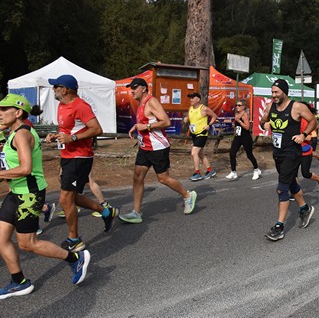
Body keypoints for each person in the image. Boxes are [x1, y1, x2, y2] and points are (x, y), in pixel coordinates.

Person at [0, 94, 90, 299]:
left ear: (18, 112)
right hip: (16, 192)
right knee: (1, 238)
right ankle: (18, 282)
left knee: (27, 243)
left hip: (29, 195)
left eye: (5, 109)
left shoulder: (22, 134)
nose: (0, 113)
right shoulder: (13, 132)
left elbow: (25, 168)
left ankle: (75, 258)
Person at [45, 75, 119, 252]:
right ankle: (106, 212)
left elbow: (97, 129)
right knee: (73, 197)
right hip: (67, 156)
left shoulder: (80, 106)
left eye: (56, 87)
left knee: (65, 199)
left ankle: (74, 239)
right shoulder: (62, 106)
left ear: (65, 89)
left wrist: (73, 138)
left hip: (80, 157)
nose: (53, 90)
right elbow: (66, 129)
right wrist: (56, 135)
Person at [118, 78, 197, 224]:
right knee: (137, 177)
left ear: (143, 88)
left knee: (163, 178)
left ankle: (187, 195)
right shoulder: (140, 103)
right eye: (131, 88)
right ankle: (136, 212)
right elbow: (146, 121)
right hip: (145, 147)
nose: (132, 91)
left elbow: (166, 121)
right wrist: (137, 127)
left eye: (134, 88)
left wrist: (146, 127)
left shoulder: (151, 101)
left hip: (158, 147)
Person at [260, 79, 317, 241]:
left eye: (276, 92)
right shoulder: (270, 107)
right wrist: (264, 124)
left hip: (292, 153)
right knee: (291, 183)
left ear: (284, 92)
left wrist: (303, 135)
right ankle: (305, 209)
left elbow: (313, 121)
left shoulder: (297, 107)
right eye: (272, 92)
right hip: (278, 153)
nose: (274, 95)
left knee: (282, 189)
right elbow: (263, 120)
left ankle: (279, 226)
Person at [184, 92, 219, 181]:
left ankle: (197, 173)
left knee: (194, 153)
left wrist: (209, 125)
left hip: (202, 134)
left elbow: (215, 116)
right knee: (201, 154)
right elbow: (189, 117)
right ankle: (210, 170)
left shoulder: (204, 109)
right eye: (190, 98)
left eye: (193, 98)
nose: (191, 100)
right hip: (194, 134)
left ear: (198, 99)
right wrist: (186, 119)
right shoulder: (190, 108)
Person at [225, 99, 261, 180]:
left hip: (245, 137)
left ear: (243, 107)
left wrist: (239, 121)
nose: (237, 107)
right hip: (238, 136)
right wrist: (235, 124)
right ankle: (233, 171)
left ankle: (256, 169)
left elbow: (247, 127)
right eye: (236, 105)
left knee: (249, 154)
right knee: (232, 153)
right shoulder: (237, 114)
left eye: (239, 105)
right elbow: (238, 126)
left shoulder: (244, 115)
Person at [298, 102, 319, 191]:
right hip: (294, 150)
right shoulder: (294, 118)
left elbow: (310, 136)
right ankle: (295, 191)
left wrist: (302, 135)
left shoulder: (307, 119)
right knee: (292, 172)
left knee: (305, 173)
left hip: (305, 149)